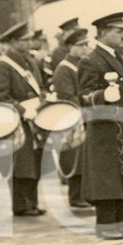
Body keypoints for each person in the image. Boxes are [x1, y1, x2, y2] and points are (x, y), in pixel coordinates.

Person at [78, 12, 123, 239]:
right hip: (106, 128)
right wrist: (102, 96)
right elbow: (84, 95)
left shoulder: (120, 57)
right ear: (102, 33)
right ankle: (107, 225)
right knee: (108, 178)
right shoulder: (90, 60)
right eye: (119, 31)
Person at [0, 21, 47, 217]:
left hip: (35, 117)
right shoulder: (3, 66)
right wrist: (22, 110)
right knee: (20, 164)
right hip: (15, 120)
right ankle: (21, 205)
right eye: (24, 40)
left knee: (34, 162)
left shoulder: (30, 62)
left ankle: (32, 202)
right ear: (13, 42)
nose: (29, 43)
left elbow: (39, 87)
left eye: (29, 40)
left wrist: (44, 99)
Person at [50, 27, 90, 208]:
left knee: (85, 157)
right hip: (72, 117)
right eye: (81, 45)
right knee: (75, 157)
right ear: (71, 47)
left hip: (84, 115)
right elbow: (67, 95)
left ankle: (84, 194)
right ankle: (76, 196)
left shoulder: (82, 64)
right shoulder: (64, 69)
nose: (85, 48)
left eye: (86, 45)